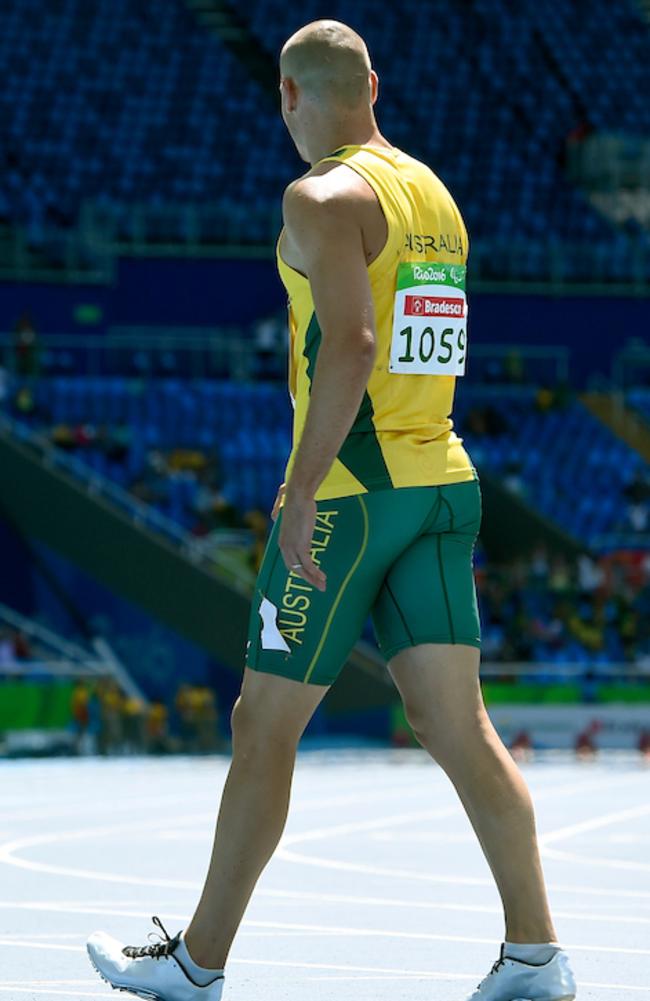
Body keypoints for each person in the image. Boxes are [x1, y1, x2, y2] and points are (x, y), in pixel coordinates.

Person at [87, 19, 576, 1001]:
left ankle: (199, 961)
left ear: (288, 97)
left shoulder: (317, 196)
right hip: (441, 481)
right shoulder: (432, 196)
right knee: (457, 725)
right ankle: (536, 953)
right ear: (374, 87)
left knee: (261, 722)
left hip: (353, 497)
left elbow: (349, 344)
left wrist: (300, 491)